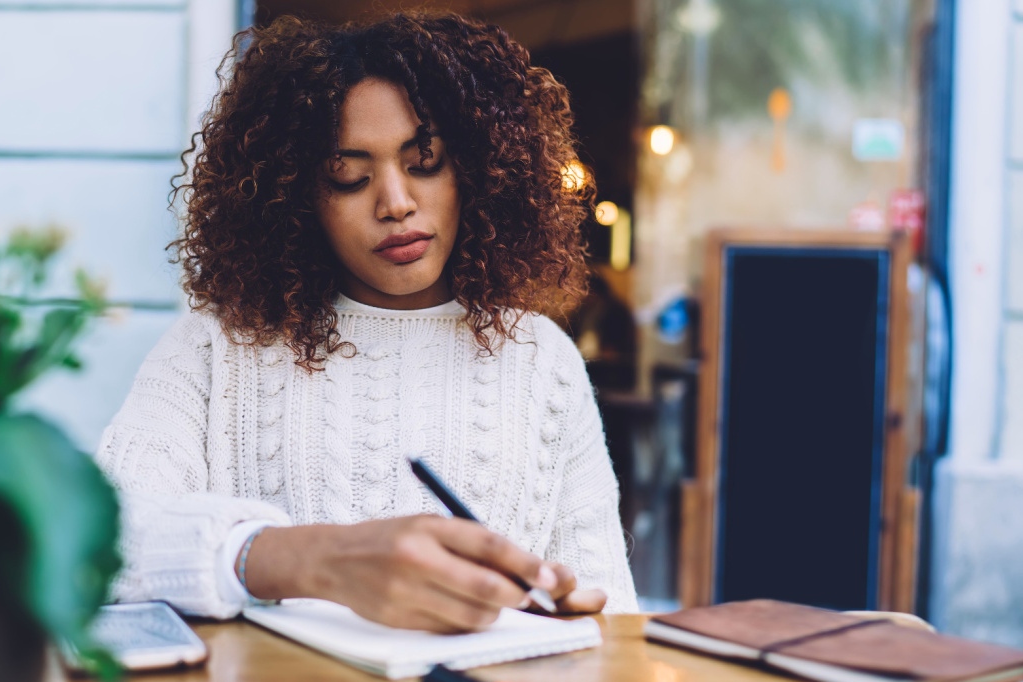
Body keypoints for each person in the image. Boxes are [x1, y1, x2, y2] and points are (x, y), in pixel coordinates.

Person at [97, 11, 637, 633]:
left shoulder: (542, 359)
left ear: (477, 169)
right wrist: (311, 561)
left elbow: (608, 621)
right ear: (296, 197)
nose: (396, 202)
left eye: (424, 160)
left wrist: (565, 614)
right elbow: (97, 543)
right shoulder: (217, 347)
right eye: (348, 176)